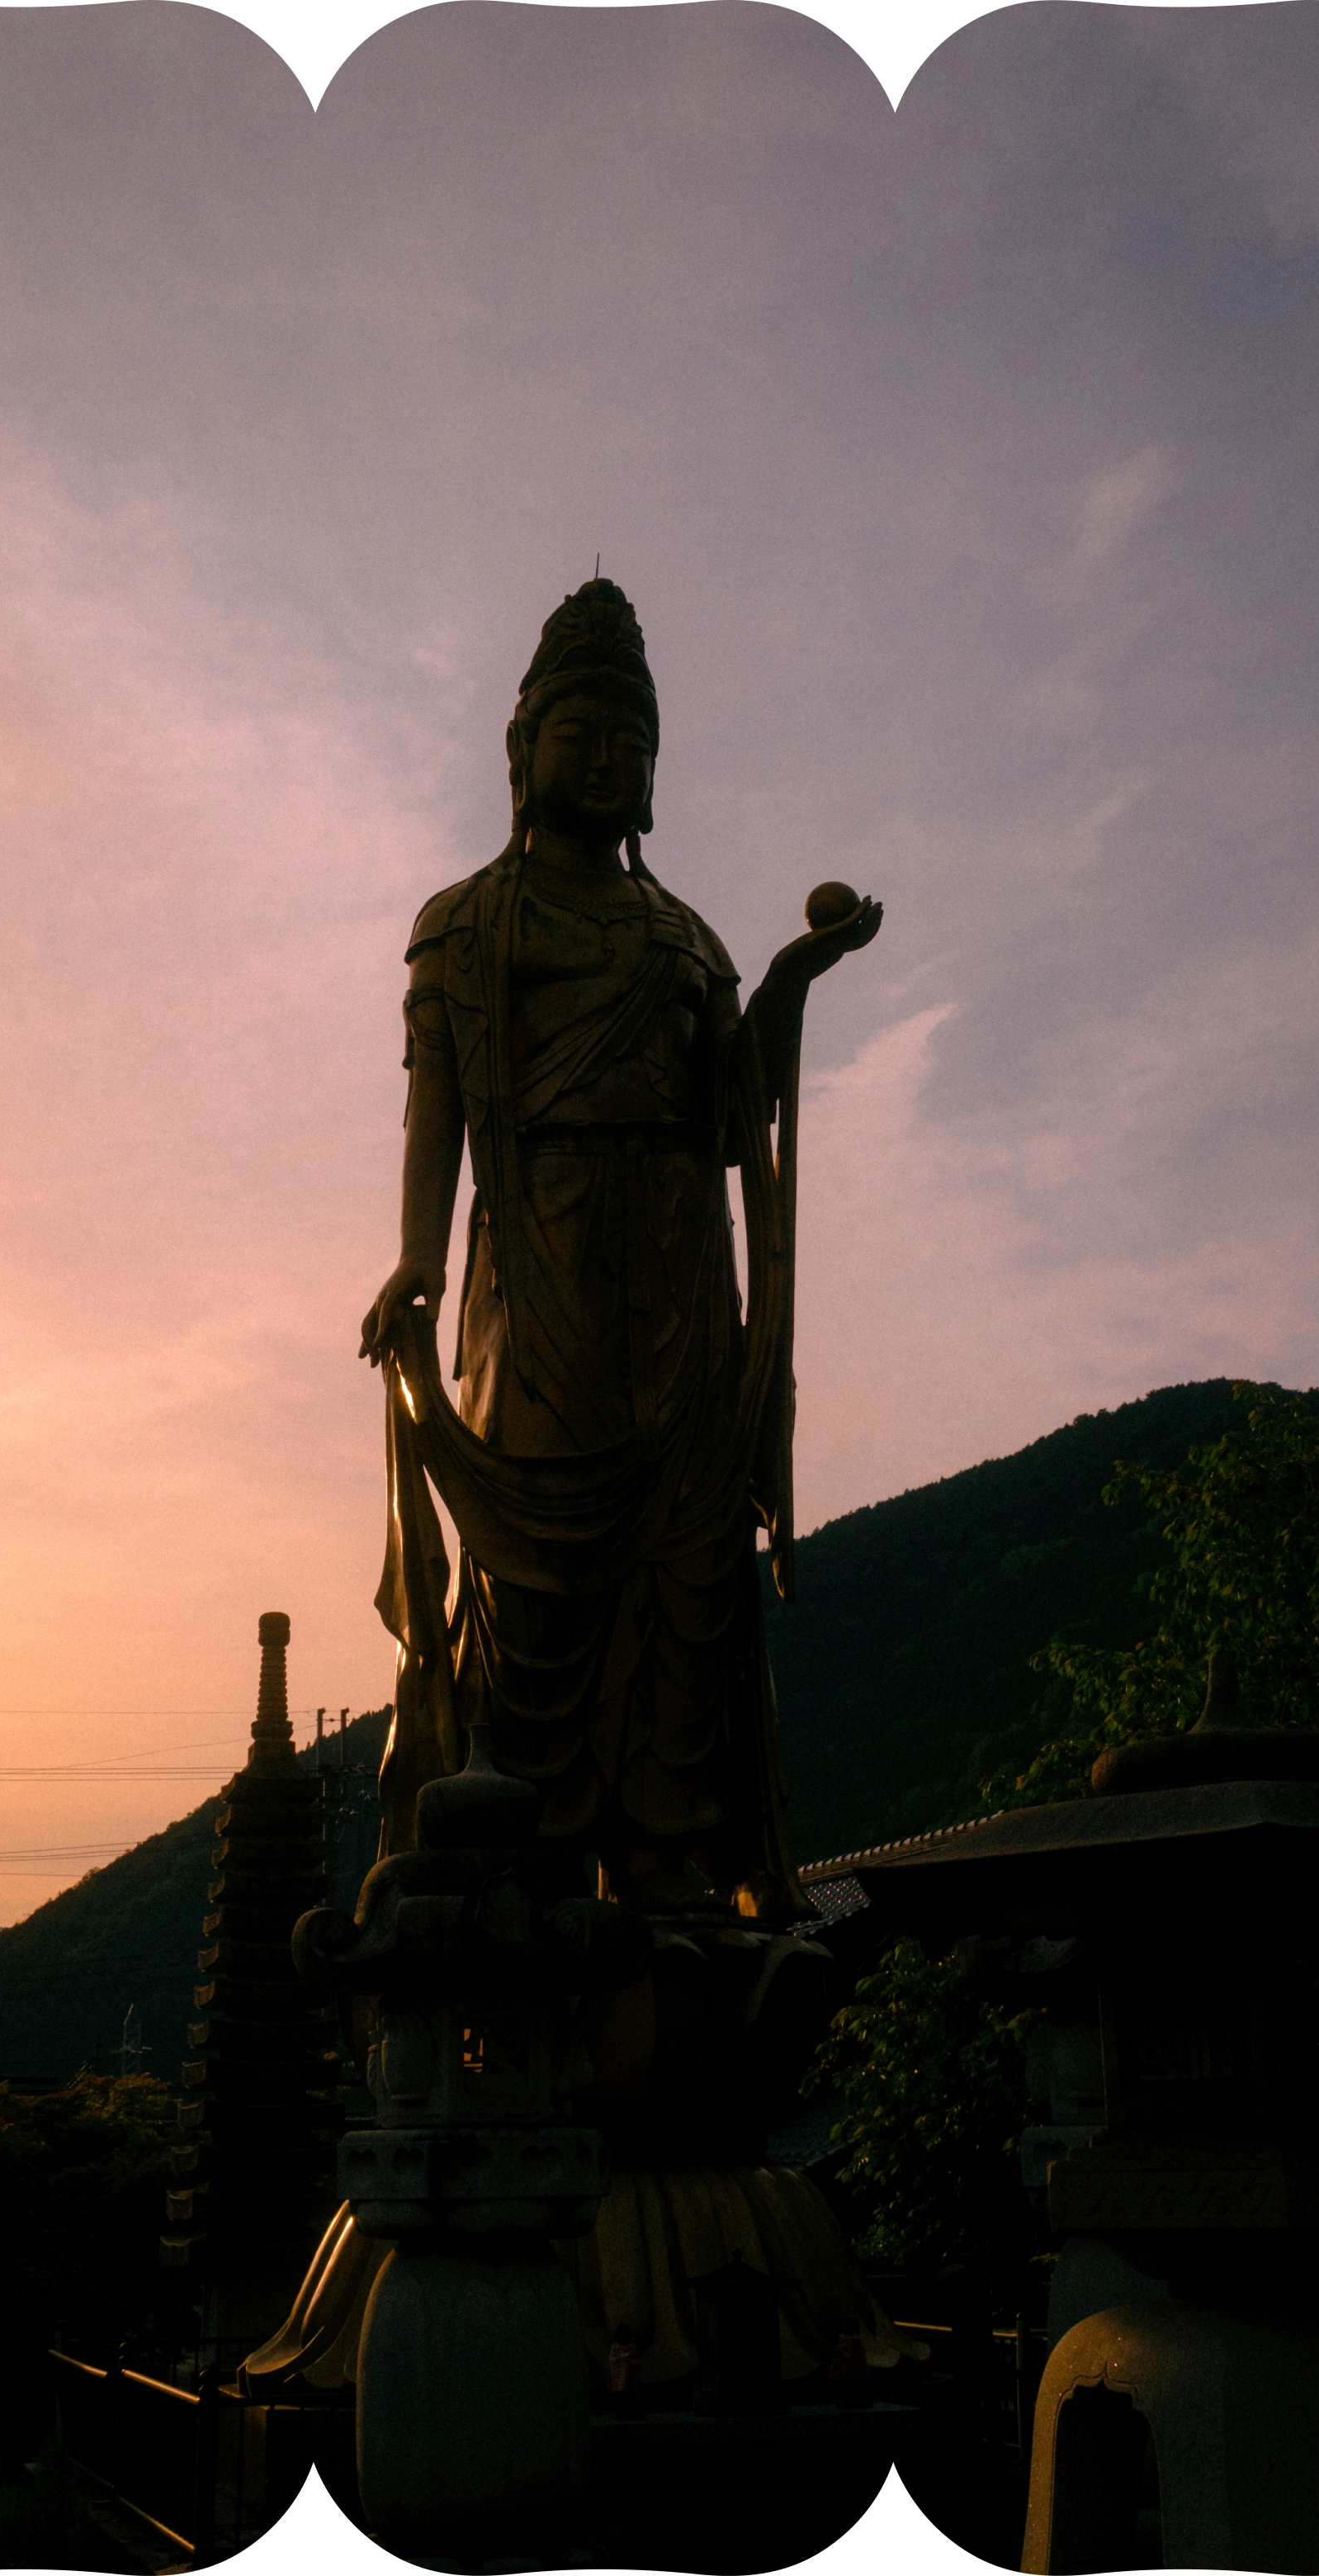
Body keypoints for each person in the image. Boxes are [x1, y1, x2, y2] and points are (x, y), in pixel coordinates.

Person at [361, 579, 879, 1918]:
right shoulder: (469, 921)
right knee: (540, 1562)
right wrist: (417, 1258)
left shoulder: (679, 935)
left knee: (682, 1572)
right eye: (580, 734)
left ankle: (670, 1864)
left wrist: (785, 979)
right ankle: (521, 1845)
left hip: (676, 1262)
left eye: (629, 744)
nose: (605, 761)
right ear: (524, 751)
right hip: (535, 1253)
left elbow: (731, 1112)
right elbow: (438, 1110)